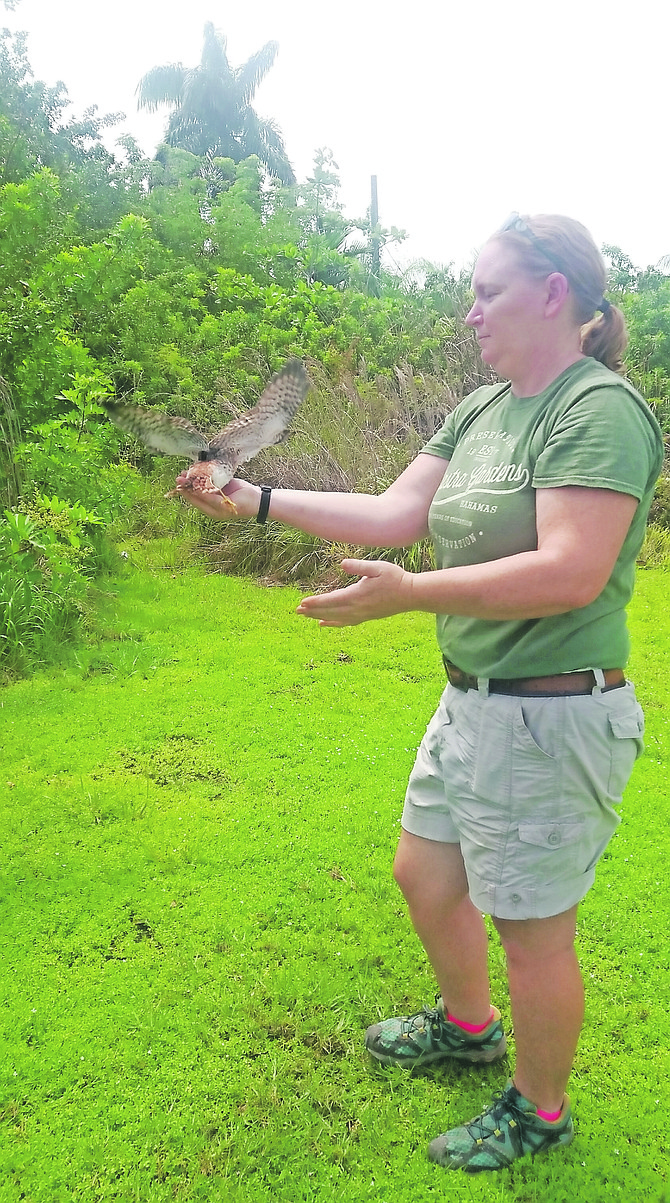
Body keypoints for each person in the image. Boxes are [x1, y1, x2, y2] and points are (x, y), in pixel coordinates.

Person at [175, 213, 663, 1173]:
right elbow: (399, 514)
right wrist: (256, 498)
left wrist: (407, 600)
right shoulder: (482, 410)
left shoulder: (595, 408)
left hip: (552, 712)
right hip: (472, 700)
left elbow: (570, 569)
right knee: (425, 873)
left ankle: (540, 1109)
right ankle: (470, 1026)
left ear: (555, 294)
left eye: (487, 291)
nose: (469, 309)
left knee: (530, 929)